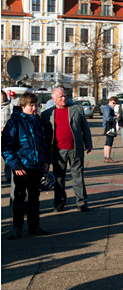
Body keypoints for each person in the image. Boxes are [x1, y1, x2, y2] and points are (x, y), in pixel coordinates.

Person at [2, 91, 51, 238]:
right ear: (23, 106)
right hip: (22, 167)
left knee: (34, 198)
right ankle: (17, 227)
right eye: (31, 106)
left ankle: (34, 226)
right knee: (20, 198)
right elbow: (7, 147)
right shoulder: (14, 122)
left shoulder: (36, 121)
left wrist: (46, 161)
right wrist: (15, 166)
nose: (35, 108)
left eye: (36, 105)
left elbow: (43, 143)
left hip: (37, 165)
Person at [40, 86, 93, 212]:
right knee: (59, 178)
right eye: (61, 97)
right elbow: (45, 135)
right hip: (58, 151)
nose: (64, 98)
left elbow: (85, 127)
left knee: (78, 176)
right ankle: (59, 203)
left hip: (75, 148)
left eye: (65, 96)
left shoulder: (77, 109)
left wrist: (88, 143)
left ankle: (81, 202)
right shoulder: (47, 114)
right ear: (53, 99)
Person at [102, 97, 118, 163]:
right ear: (110, 101)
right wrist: (115, 117)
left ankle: (106, 157)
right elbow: (108, 118)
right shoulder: (108, 108)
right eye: (113, 103)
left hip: (107, 127)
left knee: (107, 142)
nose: (114, 104)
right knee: (109, 142)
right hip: (109, 127)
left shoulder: (107, 108)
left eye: (115, 103)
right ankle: (108, 157)